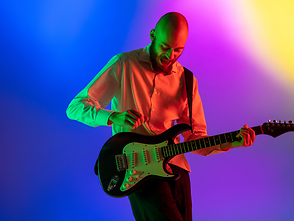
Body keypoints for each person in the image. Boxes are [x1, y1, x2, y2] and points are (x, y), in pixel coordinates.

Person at [66, 12, 255, 221]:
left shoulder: (187, 81)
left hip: (177, 169)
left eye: (178, 50)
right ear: (152, 35)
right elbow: (75, 107)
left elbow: (195, 139)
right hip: (139, 170)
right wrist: (113, 117)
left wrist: (232, 142)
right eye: (165, 47)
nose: (170, 55)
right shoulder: (124, 64)